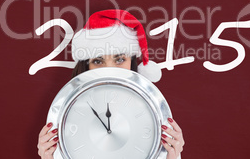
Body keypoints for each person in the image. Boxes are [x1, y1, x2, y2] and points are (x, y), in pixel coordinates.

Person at [37, 10, 185, 159]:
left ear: (131, 62)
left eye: (119, 60)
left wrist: (171, 157)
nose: (109, 69)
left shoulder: (152, 114)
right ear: (86, 66)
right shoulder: (67, 114)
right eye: (98, 61)